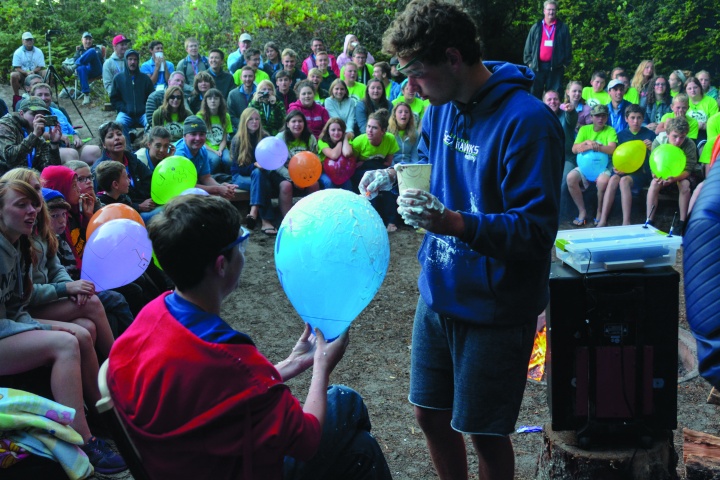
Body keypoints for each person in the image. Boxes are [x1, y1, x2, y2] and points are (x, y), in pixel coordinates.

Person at [361, 1, 563, 477]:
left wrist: (455, 224)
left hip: (496, 307)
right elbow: (433, 168)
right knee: (428, 415)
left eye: (416, 73)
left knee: (486, 434)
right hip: (438, 293)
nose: (409, 88)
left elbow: (536, 232)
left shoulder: (529, 122)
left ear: (453, 58)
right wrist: (395, 176)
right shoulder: (440, 108)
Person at [107, 193, 391, 479]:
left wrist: (293, 363)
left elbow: (223, 398)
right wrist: (322, 366)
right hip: (237, 469)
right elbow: (306, 440)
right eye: (240, 244)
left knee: (360, 448)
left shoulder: (153, 314)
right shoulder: (226, 356)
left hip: (186, 461)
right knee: (346, 403)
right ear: (221, 265)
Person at [0, 178, 127, 474]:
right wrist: (40, 328)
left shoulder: (17, 242)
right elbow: (20, 309)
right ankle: (84, 443)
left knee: (83, 324)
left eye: (34, 203)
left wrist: (38, 319)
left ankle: (106, 410)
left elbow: (21, 300)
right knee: (67, 341)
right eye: (22, 204)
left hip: (12, 323)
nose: (32, 210)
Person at [596, 104, 655, 227]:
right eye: (632, 118)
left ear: (643, 119)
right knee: (613, 179)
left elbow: (656, 158)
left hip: (641, 172)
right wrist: (616, 168)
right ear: (626, 119)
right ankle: (603, 219)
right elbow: (615, 157)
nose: (636, 121)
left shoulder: (649, 135)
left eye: (639, 118)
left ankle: (626, 222)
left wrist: (652, 148)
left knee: (624, 181)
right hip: (623, 170)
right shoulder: (621, 135)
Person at [91, 122, 159, 221]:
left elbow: (150, 179)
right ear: (104, 145)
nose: (117, 138)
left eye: (119, 134)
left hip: (148, 205)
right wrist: (138, 206)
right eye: (110, 136)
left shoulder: (132, 159)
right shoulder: (101, 170)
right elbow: (106, 203)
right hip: (125, 216)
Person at [646, 117, 701, 233]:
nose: (678, 141)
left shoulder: (689, 144)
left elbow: (688, 169)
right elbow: (654, 164)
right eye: (675, 136)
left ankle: (682, 222)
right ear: (667, 133)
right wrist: (656, 176)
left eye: (682, 137)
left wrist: (674, 179)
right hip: (664, 173)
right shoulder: (658, 142)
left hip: (683, 175)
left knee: (685, 185)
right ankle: (649, 220)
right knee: (654, 184)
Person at [568, 103, 617, 225]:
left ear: (607, 117)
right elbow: (574, 149)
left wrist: (596, 147)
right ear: (591, 117)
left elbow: (612, 149)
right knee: (570, 178)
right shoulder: (584, 129)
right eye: (597, 116)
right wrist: (586, 143)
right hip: (584, 166)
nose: (600, 119)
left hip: (603, 167)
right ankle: (582, 211)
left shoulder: (610, 130)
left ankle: (599, 211)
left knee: (602, 182)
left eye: (603, 116)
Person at [230, 108, 277, 235]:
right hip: (240, 176)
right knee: (260, 179)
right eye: (251, 119)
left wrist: (263, 166)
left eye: (257, 119)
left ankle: (253, 212)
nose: (254, 122)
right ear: (244, 121)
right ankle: (266, 221)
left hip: (261, 176)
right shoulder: (238, 139)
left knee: (260, 177)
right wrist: (254, 165)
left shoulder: (265, 137)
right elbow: (239, 169)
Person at [31, 82, 102, 165]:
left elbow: (72, 132)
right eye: (39, 95)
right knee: (71, 153)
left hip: (69, 145)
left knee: (96, 150)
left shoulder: (58, 112)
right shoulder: (31, 113)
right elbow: (31, 134)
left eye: (47, 95)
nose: (43, 98)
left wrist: (76, 139)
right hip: (49, 149)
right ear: (33, 97)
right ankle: (75, 177)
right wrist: (56, 137)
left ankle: (94, 177)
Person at [351, 110, 399, 231]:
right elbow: (353, 165)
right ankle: (372, 221)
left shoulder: (390, 139)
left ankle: (391, 222)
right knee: (371, 186)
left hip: (380, 169)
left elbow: (388, 162)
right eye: (368, 126)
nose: (369, 130)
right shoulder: (358, 141)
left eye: (374, 128)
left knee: (387, 186)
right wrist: (365, 163)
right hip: (362, 172)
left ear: (383, 131)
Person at [174, 116, 236, 199]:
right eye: (193, 134)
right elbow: (186, 186)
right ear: (184, 136)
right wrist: (217, 189)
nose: (198, 138)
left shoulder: (202, 149)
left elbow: (205, 178)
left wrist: (222, 187)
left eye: (201, 134)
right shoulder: (179, 154)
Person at [273, 110, 321, 217]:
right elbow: (277, 164)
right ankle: (288, 219)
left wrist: (305, 177)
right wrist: (293, 178)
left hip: (305, 173)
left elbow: (315, 160)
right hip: (283, 172)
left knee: (314, 184)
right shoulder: (280, 138)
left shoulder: (310, 138)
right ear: (287, 124)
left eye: (300, 121)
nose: (297, 124)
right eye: (293, 121)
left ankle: (311, 216)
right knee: (286, 186)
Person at [523, 0, 572, 98]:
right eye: (549, 9)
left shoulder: (562, 28)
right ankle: (535, 113)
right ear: (544, 11)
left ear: (556, 11)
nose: (551, 12)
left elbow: (568, 47)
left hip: (555, 68)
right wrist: (529, 63)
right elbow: (528, 47)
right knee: (534, 94)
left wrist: (565, 64)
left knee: (554, 95)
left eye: (553, 10)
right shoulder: (536, 27)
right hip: (537, 67)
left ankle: (552, 113)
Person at [0, 97, 61, 173]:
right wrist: (34, 136)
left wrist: (54, 144)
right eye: (34, 114)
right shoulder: (6, 125)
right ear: (21, 113)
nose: (38, 119)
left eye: (42, 116)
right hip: (7, 178)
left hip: (30, 178)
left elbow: (50, 170)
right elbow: (9, 158)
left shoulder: (39, 136)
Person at [544, 90, 577, 218]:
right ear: (544, 103)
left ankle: (559, 215)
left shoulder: (566, 115)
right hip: (546, 159)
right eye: (549, 99)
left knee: (563, 180)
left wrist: (571, 111)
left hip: (566, 158)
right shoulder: (540, 116)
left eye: (555, 99)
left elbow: (572, 119)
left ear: (560, 101)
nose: (553, 102)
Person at [110, 49, 154, 145]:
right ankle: (127, 148)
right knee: (119, 124)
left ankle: (146, 146)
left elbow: (152, 97)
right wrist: (124, 108)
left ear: (138, 61)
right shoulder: (118, 78)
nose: (132, 62)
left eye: (135, 59)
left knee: (151, 122)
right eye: (130, 59)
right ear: (126, 61)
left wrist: (146, 108)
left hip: (143, 113)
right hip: (126, 113)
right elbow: (114, 99)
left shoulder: (145, 79)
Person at [197, 88, 233, 174]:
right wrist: (214, 151)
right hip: (206, 147)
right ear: (206, 101)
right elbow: (201, 141)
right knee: (215, 159)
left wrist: (220, 150)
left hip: (221, 147)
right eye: (210, 99)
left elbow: (224, 139)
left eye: (216, 98)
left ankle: (228, 178)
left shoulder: (226, 116)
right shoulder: (200, 117)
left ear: (220, 101)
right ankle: (209, 177)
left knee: (228, 160)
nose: (213, 101)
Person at [317, 117, 354, 190]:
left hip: (341, 173)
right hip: (324, 172)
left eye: (339, 130)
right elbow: (334, 155)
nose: (336, 133)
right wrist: (340, 142)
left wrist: (345, 138)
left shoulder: (346, 140)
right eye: (333, 130)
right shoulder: (322, 141)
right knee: (329, 182)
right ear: (328, 131)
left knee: (348, 183)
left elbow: (347, 153)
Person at [10, 32, 47, 102]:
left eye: (30, 40)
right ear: (23, 41)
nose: (29, 41)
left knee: (47, 72)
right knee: (13, 75)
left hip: (36, 72)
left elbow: (40, 66)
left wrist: (34, 71)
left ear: (33, 41)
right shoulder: (18, 52)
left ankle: (46, 93)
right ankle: (17, 97)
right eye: (27, 40)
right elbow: (17, 67)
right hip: (23, 73)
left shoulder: (38, 51)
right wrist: (26, 73)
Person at [69, 32, 104, 105]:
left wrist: (84, 57)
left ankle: (73, 67)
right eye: (86, 39)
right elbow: (75, 59)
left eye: (90, 39)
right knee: (81, 67)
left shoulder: (96, 49)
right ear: (82, 40)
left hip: (96, 70)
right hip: (84, 73)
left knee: (91, 51)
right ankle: (86, 95)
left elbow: (99, 55)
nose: (88, 41)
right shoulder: (79, 51)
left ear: (92, 40)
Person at [685, 76, 719, 142]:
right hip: (686, 133)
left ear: (700, 88)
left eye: (695, 87)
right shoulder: (684, 102)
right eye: (689, 88)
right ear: (686, 91)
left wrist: (704, 126)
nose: (693, 90)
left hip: (705, 133)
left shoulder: (711, 101)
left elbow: (715, 122)